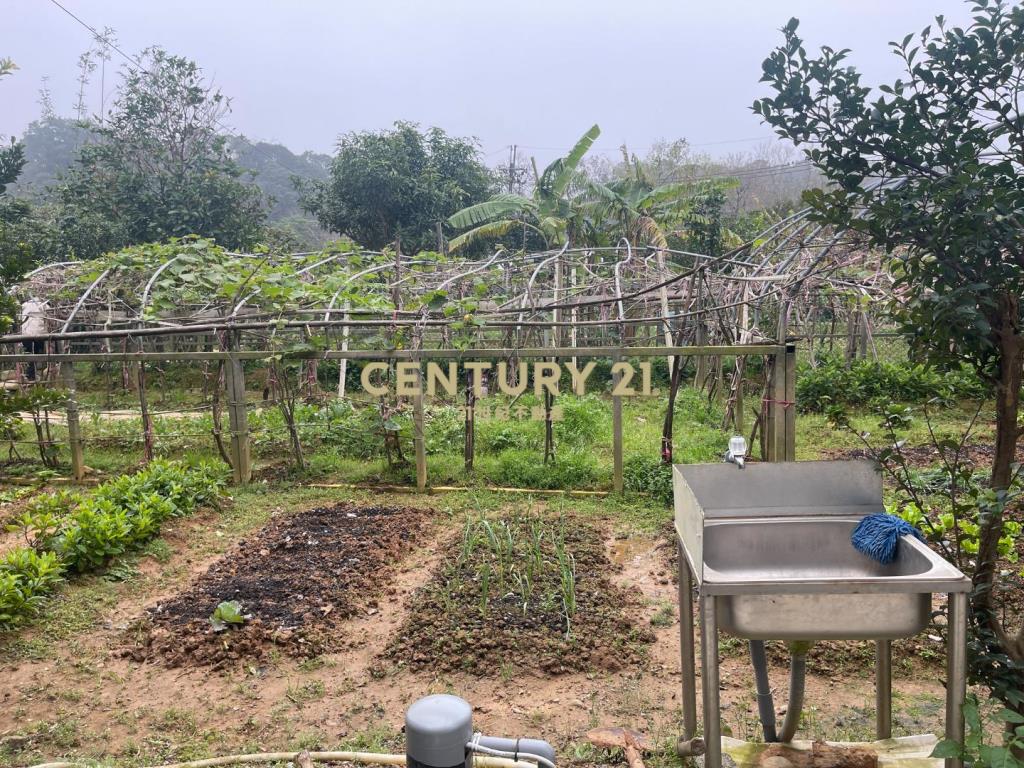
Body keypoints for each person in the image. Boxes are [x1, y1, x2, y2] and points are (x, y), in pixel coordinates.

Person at [20, 296, 48, 382]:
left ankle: (30, 374)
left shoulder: (24, 305)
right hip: (40, 334)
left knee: (28, 353)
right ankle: (37, 374)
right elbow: (48, 317)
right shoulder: (45, 306)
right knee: (38, 352)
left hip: (26, 334)